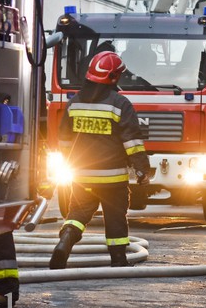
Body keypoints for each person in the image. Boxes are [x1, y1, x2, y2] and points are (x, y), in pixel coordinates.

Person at [50, 51, 152, 269]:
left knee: (77, 213)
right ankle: (118, 260)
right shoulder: (120, 104)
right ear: (113, 77)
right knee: (115, 216)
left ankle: (65, 240)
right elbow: (132, 142)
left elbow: (64, 140)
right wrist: (142, 169)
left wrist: (69, 162)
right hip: (112, 178)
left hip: (81, 176)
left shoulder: (74, 103)